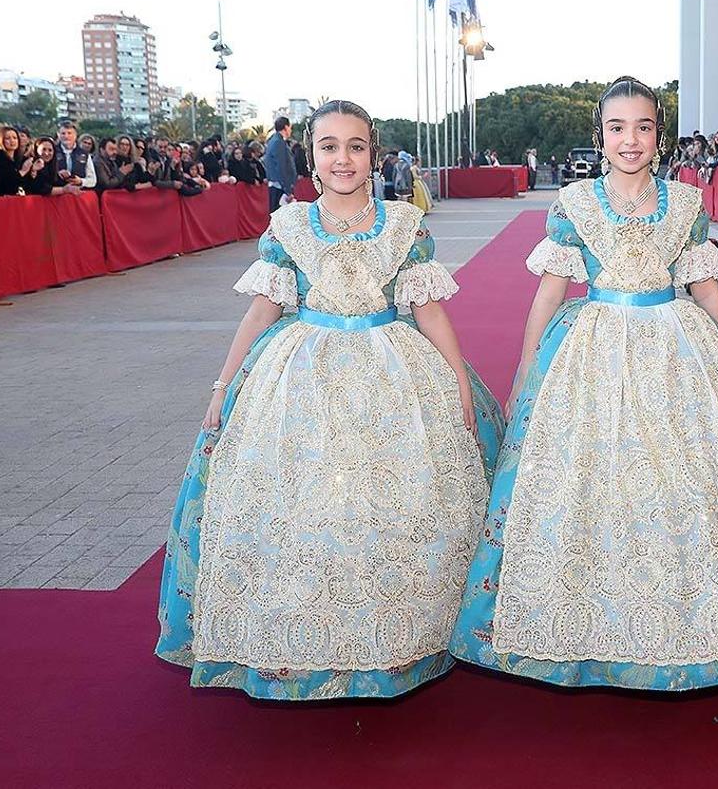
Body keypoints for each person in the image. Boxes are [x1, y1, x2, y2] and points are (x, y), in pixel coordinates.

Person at [450, 76, 718, 690]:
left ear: (659, 135)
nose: (630, 140)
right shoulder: (574, 206)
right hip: (594, 349)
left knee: (689, 478)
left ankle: (693, 621)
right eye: (617, 128)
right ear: (600, 137)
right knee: (596, 477)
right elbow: (550, 292)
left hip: (677, 343)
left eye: (644, 127)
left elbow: (704, 282)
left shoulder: (684, 204)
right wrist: (527, 367)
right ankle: (592, 625)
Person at [155, 99, 502, 701]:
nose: (343, 158)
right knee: (305, 505)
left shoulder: (403, 225)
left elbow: (429, 310)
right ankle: (303, 646)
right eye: (329, 146)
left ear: (373, 155)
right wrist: (223, 385)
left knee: (393, 505)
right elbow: (262, 308)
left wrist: (459, 383)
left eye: (356, 146)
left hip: (393, 369)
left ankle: (396, 639)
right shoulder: (289, 226)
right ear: (310, 157)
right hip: (302, 376)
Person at [263, 117, 298, 210]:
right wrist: (287, 190)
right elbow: (281, 167)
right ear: (286, 127)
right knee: (280, 218)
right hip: (280, 187)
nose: (291, 130)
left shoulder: (275, 141)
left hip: (278, 185)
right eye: (290, 127)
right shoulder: (278, 142)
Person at [0, 125, 34, 195]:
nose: (12, 141)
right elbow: (7, 183)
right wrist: (23, 171)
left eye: (15, 138)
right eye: (8, 138)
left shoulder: (17, 158)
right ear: (1, 140)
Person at [54, 120, 88, 188]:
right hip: (57, 193)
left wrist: (81, 181)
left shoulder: (84, 153)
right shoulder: (52, 151)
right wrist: (57, 174)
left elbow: (93, 180)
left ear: (75, 135)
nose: (66, 136)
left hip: (78, 193)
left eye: (69, 133)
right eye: (63, 133)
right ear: (58, 134)